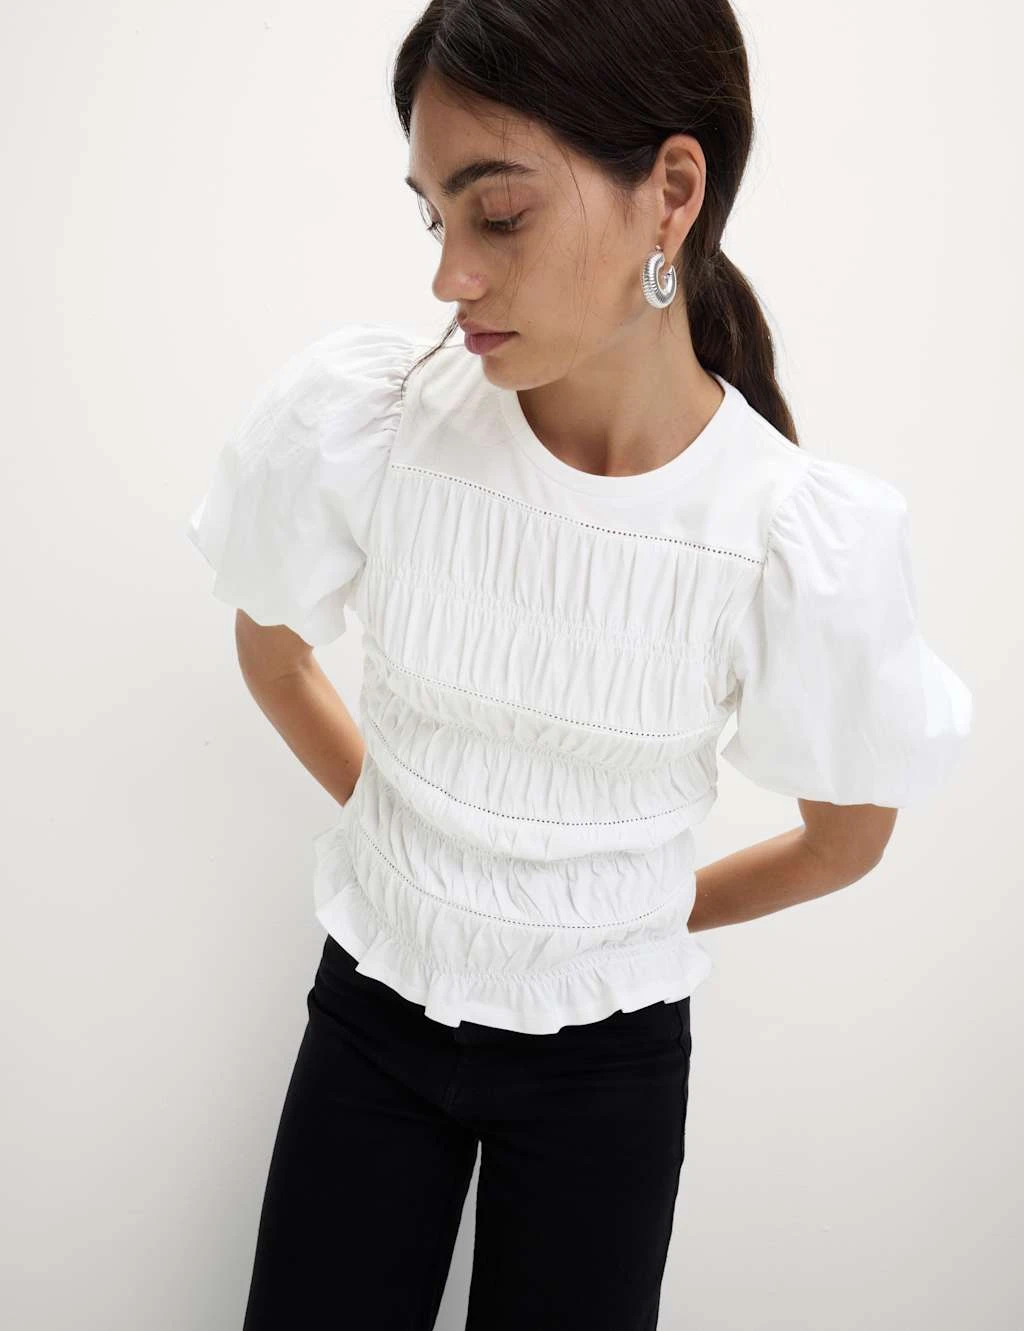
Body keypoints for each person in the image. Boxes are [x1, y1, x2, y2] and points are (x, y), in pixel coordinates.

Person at [186, 2, 973, 1328]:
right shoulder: (379, 424)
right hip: (372, 1013)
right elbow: (271, 653)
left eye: (497, 215)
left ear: (672, 191)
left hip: (608, 1070)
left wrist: (629, 910)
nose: (451, 276)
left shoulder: (783, 530)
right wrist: (418, 830)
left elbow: (846, 840)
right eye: (434, 216)